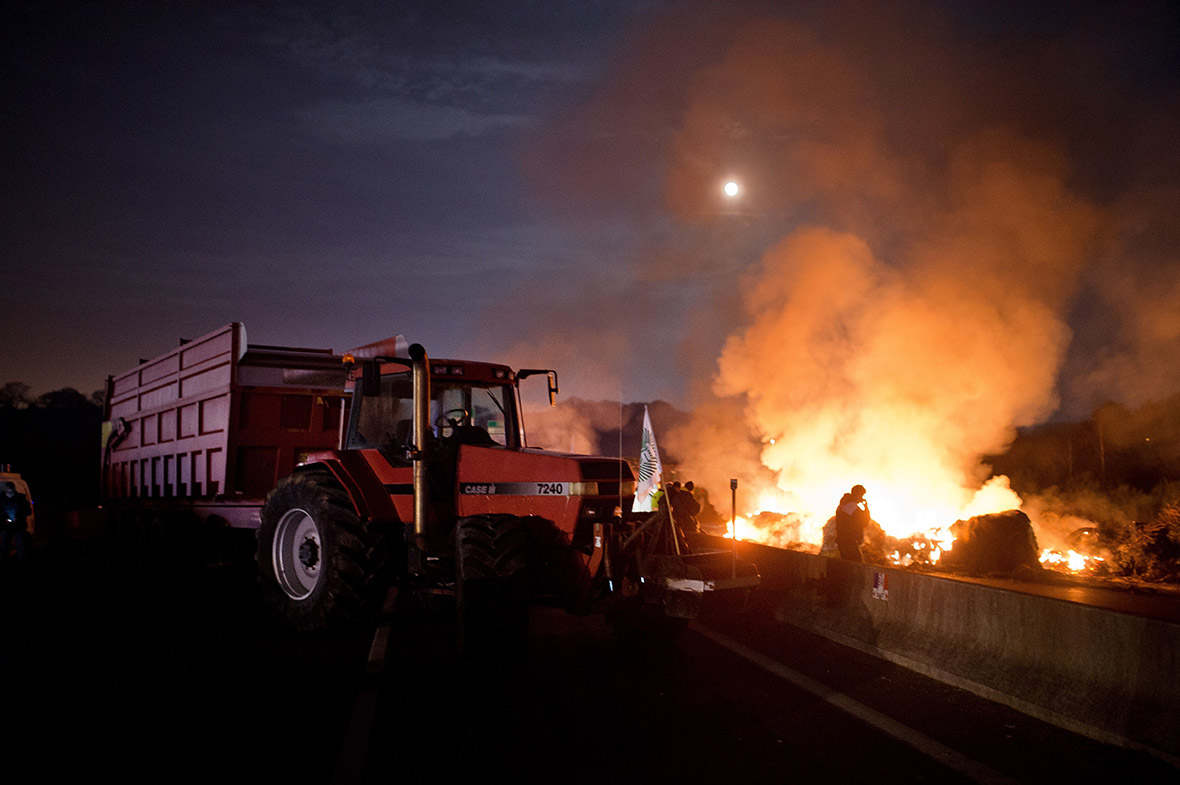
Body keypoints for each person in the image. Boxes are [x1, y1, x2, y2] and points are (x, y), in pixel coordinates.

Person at [834, 484, 870, 562]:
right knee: (856, 563)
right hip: (849, 541)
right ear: (858, 494)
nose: (862, 498)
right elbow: (864, 522)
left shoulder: (843, 505)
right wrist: (866, 508)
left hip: (842, 540)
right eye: (861, 495)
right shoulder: (852, 506)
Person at [1, 481, 32, 561]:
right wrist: (4, 519)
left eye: (11, 491)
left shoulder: (21, 498)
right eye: (8, 491)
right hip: (5, 526)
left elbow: (28, 511)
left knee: (20, 545)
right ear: (5, 490)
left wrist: (18, 518)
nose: (10, 493)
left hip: (18, 526)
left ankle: (21, 562)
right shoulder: (1, 499)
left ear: (14, 489)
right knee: (5, 546)